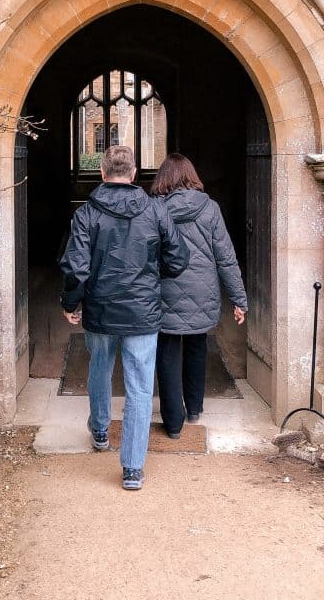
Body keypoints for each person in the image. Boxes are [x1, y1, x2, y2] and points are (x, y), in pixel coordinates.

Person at [60, 145, 188, 491]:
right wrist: (149, 275)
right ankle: (133, 468)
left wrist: (71, 303)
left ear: (103, 173)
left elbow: (76, 267)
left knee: (100, 368)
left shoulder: (87, 214)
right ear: (134, 174)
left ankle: (101, 431)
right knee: (140, 386)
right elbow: (178, 260)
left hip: (100, 308)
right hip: (142, 311)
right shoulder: (156, 210)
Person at [150, 153, 248, 438]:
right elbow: (226, 258)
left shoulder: (154, 209)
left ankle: (173, 422)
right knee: (196, 347)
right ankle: (193, 408)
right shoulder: (210, 209)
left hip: (163, 290)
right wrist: (239, 300)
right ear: (191, 176)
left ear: (163, 178)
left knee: (166, 352)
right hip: (202, 291)